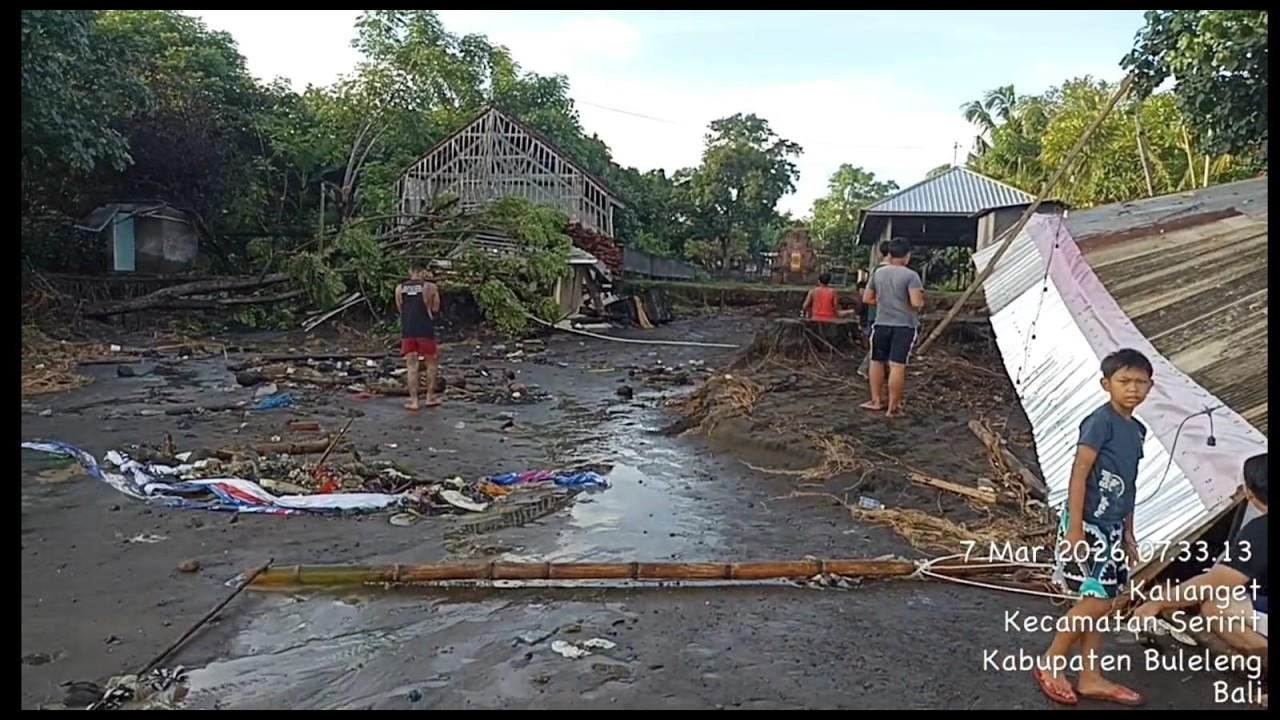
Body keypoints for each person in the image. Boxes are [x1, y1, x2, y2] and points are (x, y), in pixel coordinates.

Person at [1035, 348, 1155, 707]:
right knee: (1096, 603)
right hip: (1089, 527)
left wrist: (1129, 531)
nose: (1132, 389)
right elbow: (1079, 473)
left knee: (1101, 602)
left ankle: (1090, 676)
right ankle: (1051, 663)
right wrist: (1074, 530)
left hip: (1114, 527)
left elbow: (1129, 483)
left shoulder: (1137, 429)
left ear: (1151, 386)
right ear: (1107, 384)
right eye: (1124, 381)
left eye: (1140, 382)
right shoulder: (1099, 422)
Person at [1131, 453, 1267, 654]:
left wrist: (1158, 602)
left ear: (1250, 493)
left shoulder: (1260, 531)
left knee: (1215, 607)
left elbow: (1212, 583)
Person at [859, 237, 923, 417]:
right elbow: (916, 303)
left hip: (881, 324)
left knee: (876, 361)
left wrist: (884, 303)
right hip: (904, 326)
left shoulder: (878, 273)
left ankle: (875, 401)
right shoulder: (911, 276)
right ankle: (893, 407)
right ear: (907, 256)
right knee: (897, 365)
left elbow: (867, 299)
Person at [395, 266, 441, 411]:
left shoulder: (399, 288)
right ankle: (430, 396)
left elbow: (400, 308)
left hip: (408, 329)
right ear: (423, 272)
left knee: (411, 367)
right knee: (431, 364)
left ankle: (414, 401)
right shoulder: (430, 287)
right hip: (425, 328)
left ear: (410, 271)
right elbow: (435, 309)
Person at [857, 240, 892, 379]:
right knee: (879, 344)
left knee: (881, 343)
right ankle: (866, 368)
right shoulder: (884, 271)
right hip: (880, 313)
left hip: (878, 313)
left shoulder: (877, 269)